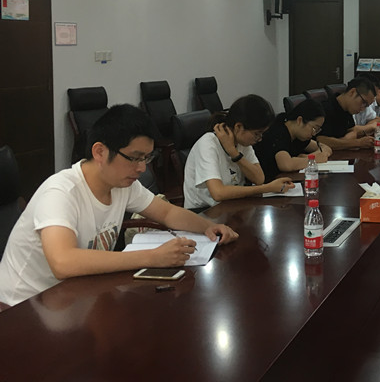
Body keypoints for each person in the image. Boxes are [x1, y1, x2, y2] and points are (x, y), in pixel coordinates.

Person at [0, 104, 238, 307]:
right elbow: (63, 262)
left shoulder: (123, 185)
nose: (142, 168)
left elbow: (166, 212)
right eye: (134, 158)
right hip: (22, 307)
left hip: (73, 297)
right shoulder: (61, 192)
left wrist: (207, 227)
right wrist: (152, 258)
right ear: (100, 152)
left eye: (147, 158)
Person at [183, 95, 294, 210]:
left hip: (231, 206)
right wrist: (267, 188)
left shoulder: (242, 143)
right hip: (204, 211)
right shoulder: (207, 143)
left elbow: (259, 178)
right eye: (257, 134)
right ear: (238, 127)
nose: (259, 139)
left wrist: (234, 153)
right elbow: (218, 193)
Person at [254, 99, 333, 179]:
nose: (314, 134)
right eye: (314, 128)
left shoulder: (298, 135)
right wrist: (313, 159)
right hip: (267, 181)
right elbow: (286, 165)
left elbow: (326, 148)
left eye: (317, 130)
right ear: (300, 120)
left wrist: (307, 157)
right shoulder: (278, 131)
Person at [317, 77, 377, 150]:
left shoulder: (347, 109)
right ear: (352, 92)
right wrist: (357, 143)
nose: (363, 109)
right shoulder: (325, 109)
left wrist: (341, 142)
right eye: (364, 102)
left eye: (366, 106)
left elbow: (352, 131)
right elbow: (319, 140)